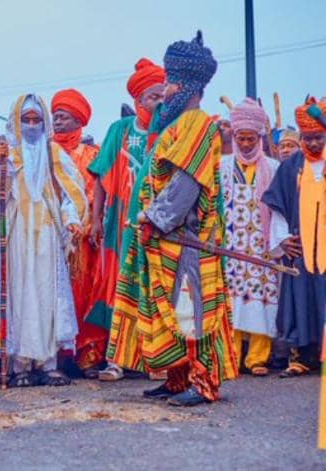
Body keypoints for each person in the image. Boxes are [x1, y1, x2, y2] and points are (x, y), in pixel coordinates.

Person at [111, 32, 238, 406]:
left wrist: (154, 219)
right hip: (168, 236)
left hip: (188, 237)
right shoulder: (175, 124)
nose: (164, 90)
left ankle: (204, 383)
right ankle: (177, 378)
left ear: (183, 84)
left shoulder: (198, 124)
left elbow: (185, 185)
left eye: (168, 81)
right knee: (171, 307)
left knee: (193, 308)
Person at [0, 94, 88, 387]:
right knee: (19, 294)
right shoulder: (6, 155)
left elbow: (71, 191)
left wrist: (72, 220)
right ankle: (20, 366)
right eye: (27, 120)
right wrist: (3, 176)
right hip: (17, 236)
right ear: (17, 123)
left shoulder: (55, 153)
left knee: (47, 294)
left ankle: (48, 364)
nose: (32, 125)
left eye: (37, 120)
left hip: (48, 234)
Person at [87, 58, 166, 381]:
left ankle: (156, 359)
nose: (160, 103)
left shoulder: (171, 132)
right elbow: (100, 177)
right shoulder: (119, 130)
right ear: (138, 101)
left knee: (155, 287)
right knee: (118, 288)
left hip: (160, 225)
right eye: (153, 97)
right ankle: (116, 359)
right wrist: (95, 220)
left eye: (164, 96)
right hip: (121, 226)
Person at [262, 97, 326, 378]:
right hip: (300, 246)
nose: (313, 144)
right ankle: (303, 357)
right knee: (302, 300)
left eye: (319, 138)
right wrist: (283, 239)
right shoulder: (290, 168)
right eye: (308, 138)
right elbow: (278, 208)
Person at [220, 98, 280, 377]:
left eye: (250, 139)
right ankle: (230, 357)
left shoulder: (273, 167)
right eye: (240, 138)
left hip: (261, 246)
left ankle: (257, 358)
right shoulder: (220, 166)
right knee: (230, 301)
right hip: (228, 244)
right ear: (233, 136)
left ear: (260, 137)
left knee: (261, 298)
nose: (245, 144)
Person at [51, 88, 108, 378]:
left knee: (86, 295)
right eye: (55, 117)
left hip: (85, 239)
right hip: (53, 237)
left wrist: (87, 225)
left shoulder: (92, 155)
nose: (57, 121)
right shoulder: (45, 153)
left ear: (78, 119)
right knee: (56, 297)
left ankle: (89, 354)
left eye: (62, 116)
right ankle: (59, 358)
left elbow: (97, 192)